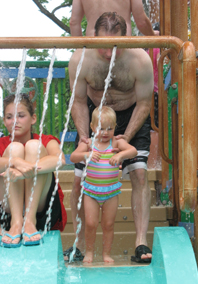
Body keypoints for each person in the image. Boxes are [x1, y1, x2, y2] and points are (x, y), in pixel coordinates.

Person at [66, 12, 154, 263]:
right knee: (78, 178)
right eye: (103, 44)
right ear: (93, 36)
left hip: (130, 117)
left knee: (139, 173)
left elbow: (145, 103)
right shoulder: (80, 59)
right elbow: (79, 102)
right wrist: (85, 137)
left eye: (114, 45)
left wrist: (124, 137)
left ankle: (140, 243)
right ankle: (80, 245)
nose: (108, 52)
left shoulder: (140, 60)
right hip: (96, 119)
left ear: (126, 37)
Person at [70, 106, 137, 263]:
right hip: (91, 192)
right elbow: (73, 157)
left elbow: (133, 151)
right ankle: (89, 252)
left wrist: (120, 155)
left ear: (115, 128)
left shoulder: (116, 142)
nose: (105, 132)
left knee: (108, 225)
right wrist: (87, 155)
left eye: (110, 128)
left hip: (111, 192)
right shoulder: (89, 144)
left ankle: (106, 254)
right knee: (91, 223)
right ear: (92, 127)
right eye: (101, 128)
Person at [0, 94, 67, 247]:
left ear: (33, 118)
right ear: (4, 121)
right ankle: (16, 222)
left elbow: (60, 160)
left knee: (34, 146)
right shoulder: (2, 143)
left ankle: (29, 220)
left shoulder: (45, 140)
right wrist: (16, 162)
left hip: (41, 208)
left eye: (21, 115)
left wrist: (23, 172)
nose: (15, 121)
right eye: (9, 117)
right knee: (14, 149)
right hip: (7, 210)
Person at [70, 0, 159, 37]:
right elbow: (141, 22)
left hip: (94, 44)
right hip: (121, 43)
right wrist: (152, 35)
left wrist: (80, 49)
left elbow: (74, 22)